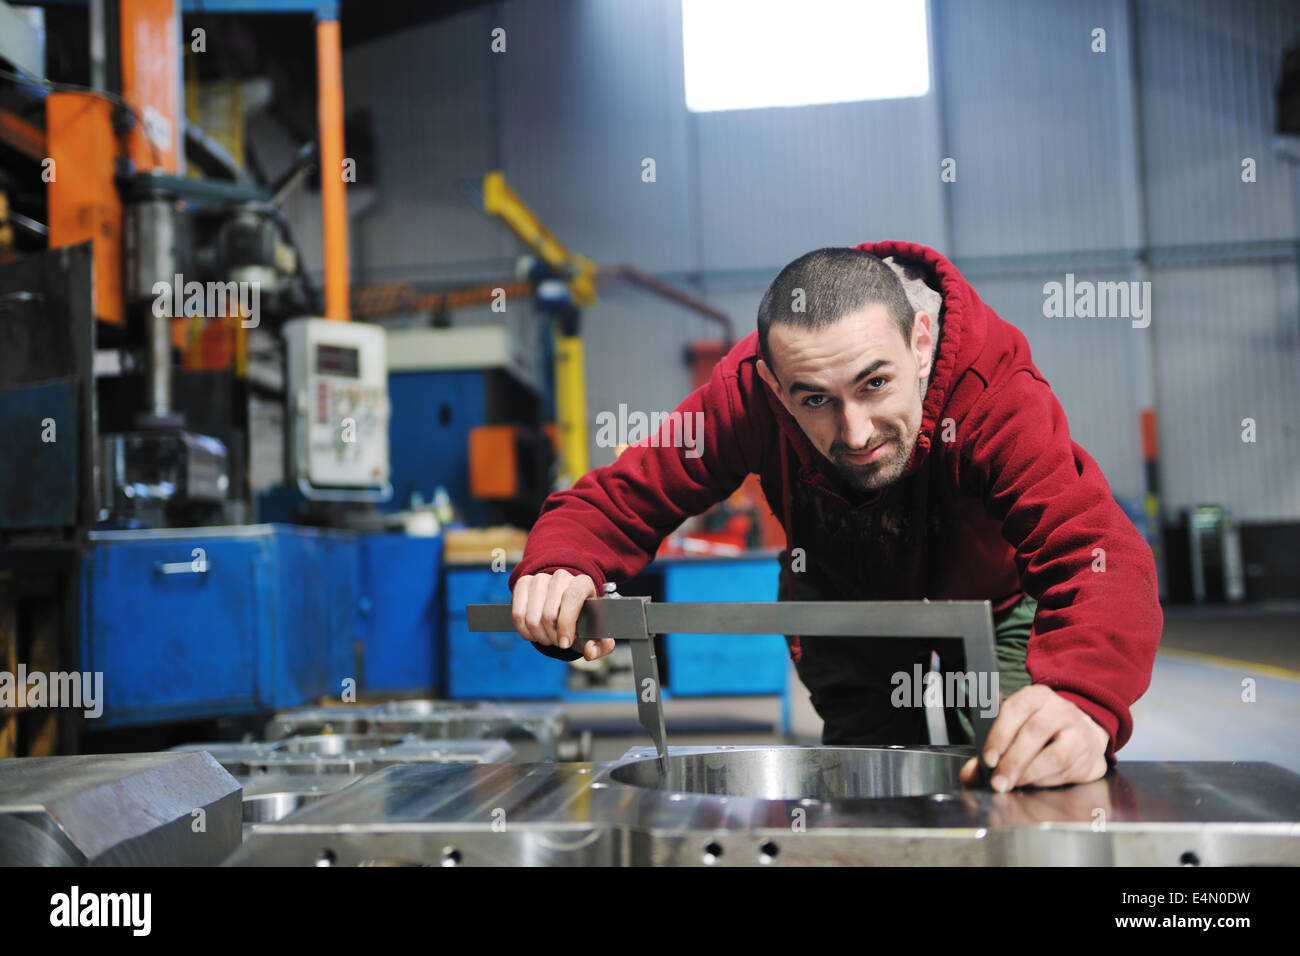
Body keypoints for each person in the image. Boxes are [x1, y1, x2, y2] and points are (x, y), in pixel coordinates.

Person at [507, 240, 1162, 791]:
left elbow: (1096, 553)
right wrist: (562, 561)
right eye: (815, 399)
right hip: (843, 601)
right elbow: (623, 497)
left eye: (875, 384)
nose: (854, 432)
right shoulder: (748, 396)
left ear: (922, 342)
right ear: (771, 384)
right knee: (868, 785)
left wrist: (1082, 699)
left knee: (1019, 770)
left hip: (995, 601)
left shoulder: (994, 392)